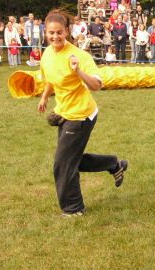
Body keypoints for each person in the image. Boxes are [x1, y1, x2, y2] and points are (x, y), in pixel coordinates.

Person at [38, 10, 128, 216]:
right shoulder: (47, 53)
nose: (55, 37)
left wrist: (78, 71)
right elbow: (51, 79)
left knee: (63, 164)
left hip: (81, 115)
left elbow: (97, 85)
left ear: (67, 31)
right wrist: (44, 96)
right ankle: (114, 164)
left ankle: (73, 209)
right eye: (51, 33)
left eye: (59, 32)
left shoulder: (79, 56)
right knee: (72, 159)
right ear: (45, 33)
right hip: (64, 112)